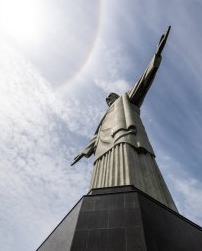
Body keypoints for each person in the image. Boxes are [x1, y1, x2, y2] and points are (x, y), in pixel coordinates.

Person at [71, 26, 177, 211]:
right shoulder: (105, 117)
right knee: (102, 178)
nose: (107, 99)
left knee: (128, 168)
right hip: (103, 146)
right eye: (106, 99)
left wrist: (156, 56)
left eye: (110, 96)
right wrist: (84, 152)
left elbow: (143, 81)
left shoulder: (125, 100)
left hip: (123, 135)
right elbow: (95, 137)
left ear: (116, 95)